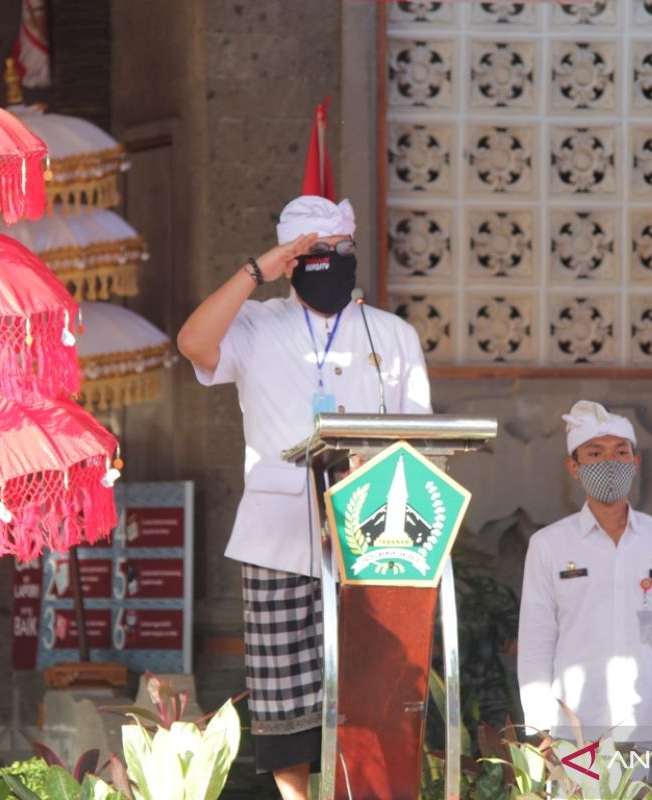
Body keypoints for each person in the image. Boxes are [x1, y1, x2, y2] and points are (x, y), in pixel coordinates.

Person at [176, 195, 432, 799]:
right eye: (313, 253)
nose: (330, 261)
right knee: (283, 690)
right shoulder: (258, 324)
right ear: (289, 262)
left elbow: (419, 443)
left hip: (374, 540)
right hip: (276, 535)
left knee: (371, 685)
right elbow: (192, 342)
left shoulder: (392, 335)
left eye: (340, 249)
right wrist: (254, 272)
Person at [516, 400, 652, 772]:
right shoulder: (549, 546)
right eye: (595, 453)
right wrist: (540, 731)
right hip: (575, 730)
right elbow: (536, 643)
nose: (609, 463)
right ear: (574, 467)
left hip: (651, 723)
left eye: (620, 452)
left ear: (636, 461)